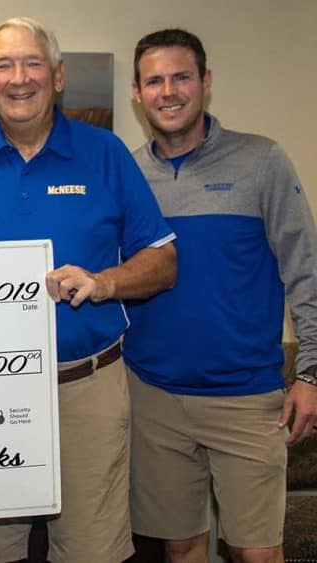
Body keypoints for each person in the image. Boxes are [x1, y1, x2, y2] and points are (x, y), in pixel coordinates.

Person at [0, 17, 177, 563]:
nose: (18, 78)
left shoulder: (106, 153)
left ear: (59, 75)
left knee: (91, 552)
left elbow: (164, 261)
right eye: (3, 64)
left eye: (33, 63)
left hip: (85, 388)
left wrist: (104, 283)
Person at [123, 28, 317, 563]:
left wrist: (311, 373)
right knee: (181, 549)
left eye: (181, 77)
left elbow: (306, 271)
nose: (169, 91)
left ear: (205, 83)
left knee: (256, 553)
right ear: (137, 94)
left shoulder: (261, 162)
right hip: (153, 396)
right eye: (154, 80)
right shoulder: (128, 175)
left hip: (246, 398)